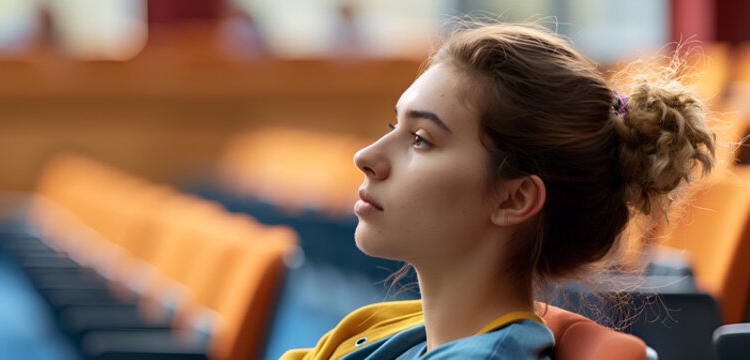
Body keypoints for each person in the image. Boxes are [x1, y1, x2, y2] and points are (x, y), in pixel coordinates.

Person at [281, 22, 717, 359]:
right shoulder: (394, 328)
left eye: (420, 140)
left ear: (514, 198)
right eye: (394, 126)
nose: (366, 156)